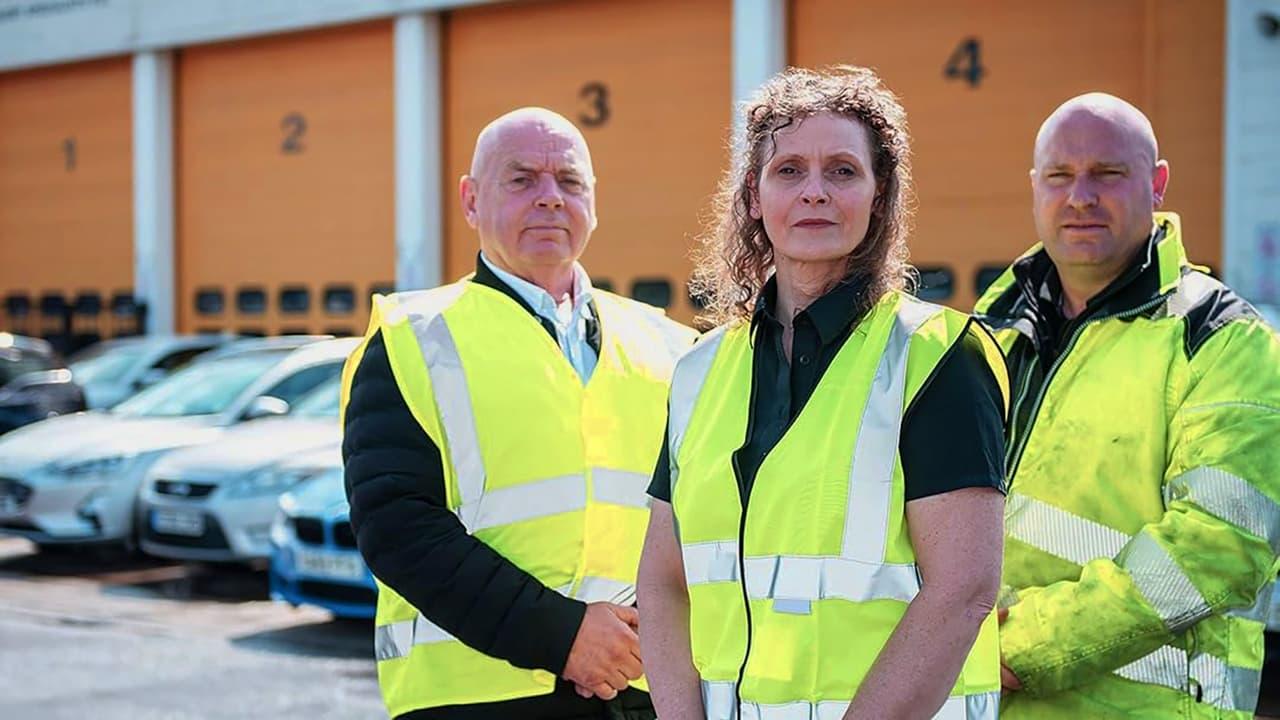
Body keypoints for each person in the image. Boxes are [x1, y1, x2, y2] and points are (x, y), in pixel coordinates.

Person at [638, 66, 1010, 720]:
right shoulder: (699, 371)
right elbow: (664, 582)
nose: (815, 191)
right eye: (789, 171)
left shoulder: (938, 358)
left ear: (879, 196)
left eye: (842, 171)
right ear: (754, 197)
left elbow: (963, 589)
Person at [341, 107, 696, 720]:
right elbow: (397, 527)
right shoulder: (413, 338)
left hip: (639, 690)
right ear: (471, 200)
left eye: (569, 180)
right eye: (522, 179)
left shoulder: (669, 346)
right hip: (472, 698)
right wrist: (563, 637)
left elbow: (701, 520)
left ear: (594, 201)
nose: (550, 197)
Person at [974, 92, 1280, 719]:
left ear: (1157, 183)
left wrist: (1021, 646)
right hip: (985, 701)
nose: (1080, 196)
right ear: (1034, 187)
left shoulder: (1221, 340)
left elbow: (1219, 546)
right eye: (1059, 176)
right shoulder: (992, 330)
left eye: (1107, 173)